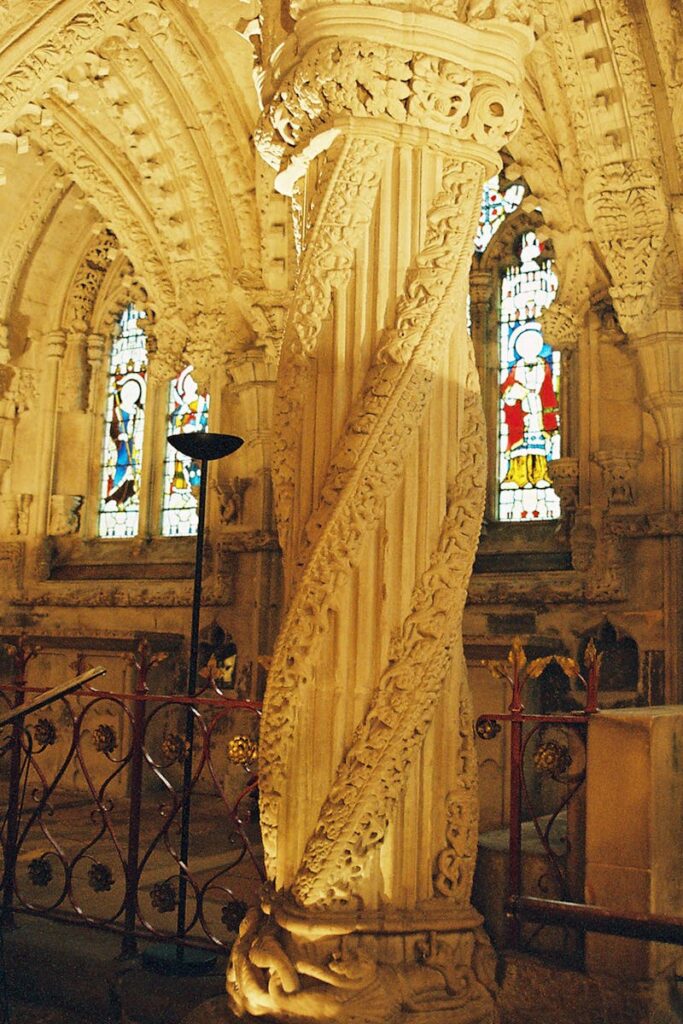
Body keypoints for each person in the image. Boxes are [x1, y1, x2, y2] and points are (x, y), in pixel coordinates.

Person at [500, 323, 559, 492]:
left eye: (532, 345)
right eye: (525, 346)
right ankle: (518, 476)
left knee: (539, 442)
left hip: (538, 407)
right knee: (520, 443)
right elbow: (507, 386)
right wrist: (511, 394)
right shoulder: (517, 366)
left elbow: (548, 388)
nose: (529, 349)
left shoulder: (543, 365)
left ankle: (540, 475)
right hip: (521, 409)